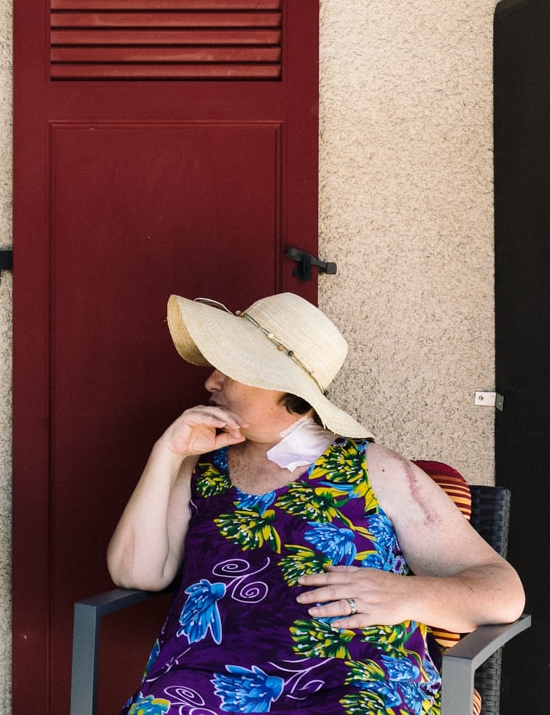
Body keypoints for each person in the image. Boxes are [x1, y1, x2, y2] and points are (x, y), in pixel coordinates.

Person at [107, 293, 524, 715]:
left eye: (227, 369)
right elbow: (137, 572)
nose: (210, 382)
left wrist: (408, 593)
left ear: (282, 385)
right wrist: (168, 453)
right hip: (203, 687)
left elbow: (503, 592)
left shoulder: (372, 468)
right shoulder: (200, 465)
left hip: (354, 686)